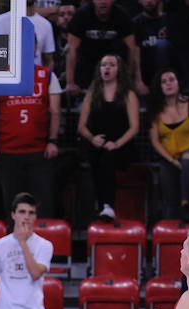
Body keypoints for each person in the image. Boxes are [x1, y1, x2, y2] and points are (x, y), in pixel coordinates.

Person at [0, 63, 62, 217]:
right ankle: (14, 237)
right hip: (7, 151)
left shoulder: (47, 75)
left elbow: (55, 111)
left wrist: (53, 141)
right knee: (11, 202)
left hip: (39, 152)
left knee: (43, 201)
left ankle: (43, 239)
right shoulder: (1, 73)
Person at [77, 53, 139, 220]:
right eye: (104, 65)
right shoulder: (92, 93)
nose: (107, 68)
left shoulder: (128, 94)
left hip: (121, 145)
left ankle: (107, 205)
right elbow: (81, 126)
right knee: (94, 158)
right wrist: (92, 138)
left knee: (107, 159)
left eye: (111, 64)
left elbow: (134, 128)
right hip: (97, 143)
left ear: (119, 69)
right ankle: (99, 206)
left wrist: (117, 143)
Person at [148, 68, 189, 221]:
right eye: (164, 82)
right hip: (169, 157)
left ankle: (185, 203)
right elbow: (155, 142)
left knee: (188, 158)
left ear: (178, 83)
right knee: (167, 181)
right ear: (160, 87)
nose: (168, 84)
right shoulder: (156, 111)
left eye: (172, 80)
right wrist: (172, 161)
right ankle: (169, 225)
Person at [65, 0, 141, 96]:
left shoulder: (122, 16)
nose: (103, 2)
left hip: (114, 62)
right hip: (86, 62)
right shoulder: (81, 15)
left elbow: (132, 49)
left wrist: (130, 80)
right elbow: (72, 51)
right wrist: (70, 83)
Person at [0, 0, 55, 70]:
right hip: (7, 77)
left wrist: (43, 78)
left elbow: (49, 61)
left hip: (35, 77)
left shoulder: (45, 24)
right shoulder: (2, 20)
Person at [132, 0, 168, 95]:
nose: (149, 1)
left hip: (167, 77)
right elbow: (134, 53)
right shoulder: (135, 23)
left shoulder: (168, 20)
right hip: (145, 78)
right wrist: (138, 81)